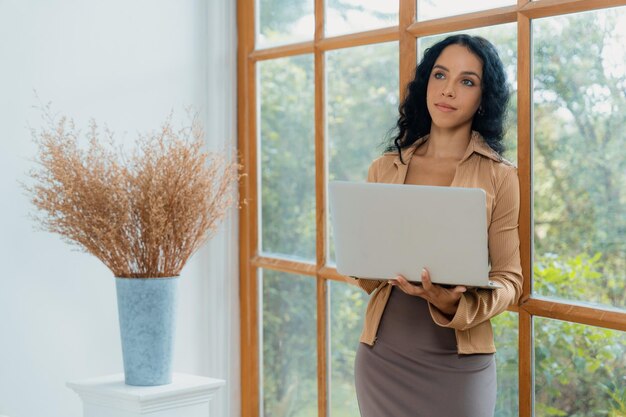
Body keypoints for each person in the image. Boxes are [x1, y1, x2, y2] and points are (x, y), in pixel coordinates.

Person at [351, 34, 523, 417]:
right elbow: (367, 273)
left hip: (459, 366)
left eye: (467, 81)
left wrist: (457, 303)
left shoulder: (500, 175)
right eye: (440, 75)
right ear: (426, 83)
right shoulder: (385, 167)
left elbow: (510, 279)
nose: (448, 90)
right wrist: (360, 256)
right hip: (383, 357)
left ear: (483, 97)